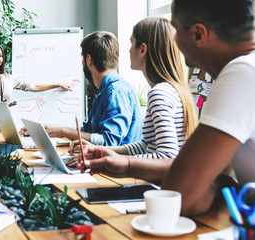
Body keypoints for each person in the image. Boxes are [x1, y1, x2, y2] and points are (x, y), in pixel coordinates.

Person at [77, 0, 255, 216]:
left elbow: (181, 195)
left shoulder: (241, 74)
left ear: (199, 34)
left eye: (176, 30)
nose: (175, 42)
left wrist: (216, 180)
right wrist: (124, 163)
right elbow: (207, 173)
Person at [67, 17, 198, 167]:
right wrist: (101, 152)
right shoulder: (170, 89)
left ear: (142, 49)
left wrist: (118, 161)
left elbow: (167, 156)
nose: (128, 49)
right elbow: (145, 146)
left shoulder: (159, 94)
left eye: (131, 43)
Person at [22, 31, 143, 146]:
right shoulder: (104, 89)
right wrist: (53, 130)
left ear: (88, 59)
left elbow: (109, 141)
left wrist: (63, 131)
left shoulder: (116, 92)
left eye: (82, 57)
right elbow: (90, 132)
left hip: (116, 166)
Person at [0, 42, 72, 133]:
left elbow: (34, 87)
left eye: (0, 56)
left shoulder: (9, 79)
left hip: (9, 133)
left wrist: (58, 84)